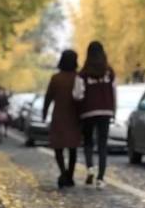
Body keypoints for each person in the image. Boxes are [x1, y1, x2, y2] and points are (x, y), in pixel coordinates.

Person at [43, 49, 82, 188]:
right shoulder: (78, 77)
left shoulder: (56, 78)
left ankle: (63, 172)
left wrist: (44, 112)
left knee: (58, 147)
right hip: (74, 116)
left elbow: (48, 97)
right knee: (73, 148)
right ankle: (70, 175)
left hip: (59, 115)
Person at [79, 40, 116, 188]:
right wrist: (113, 110)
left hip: (88, 111)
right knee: (102, 144)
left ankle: (90, 168)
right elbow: (114, 92)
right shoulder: (109, 72)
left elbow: (77, 94)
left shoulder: (83, 74)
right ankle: (100, 178)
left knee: (88, 141)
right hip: (105, 110)